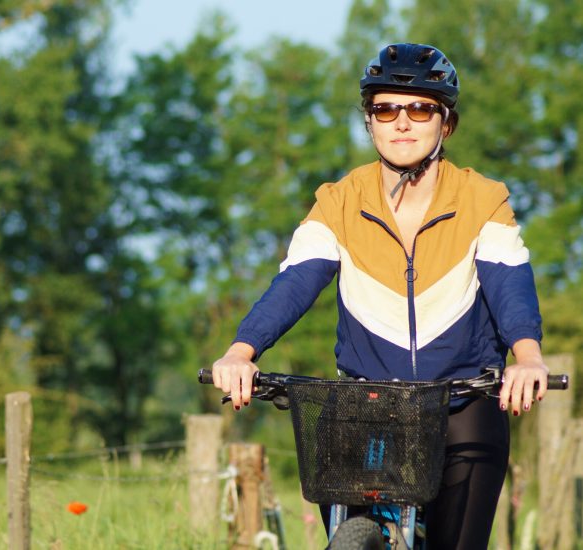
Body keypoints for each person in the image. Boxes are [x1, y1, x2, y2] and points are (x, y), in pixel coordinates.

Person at [210, 42, 548, 549]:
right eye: (385, 109)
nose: (402, 122)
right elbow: (295, 281)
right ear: (369, 122)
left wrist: (527, 357)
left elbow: (510, 285)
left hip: (462, 401)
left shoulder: (483, 199)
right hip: (367, 405)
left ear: (446, 124)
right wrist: (242, 351)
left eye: (420, 108)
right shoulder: (339, 201)